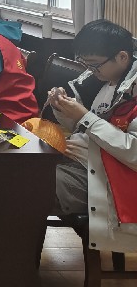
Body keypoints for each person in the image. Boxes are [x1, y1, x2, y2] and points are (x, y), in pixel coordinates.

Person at [50, 19, 137, 253]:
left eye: (95, 65)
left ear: (122, 57)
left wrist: (85, 117)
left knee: (26, 184)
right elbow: (84, 129)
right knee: (17, 170)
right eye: (86, 65)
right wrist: (63, 108)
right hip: (83, 163)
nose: (90, 71)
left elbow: (134, 153)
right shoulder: (108, 82)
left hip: (109, 180)